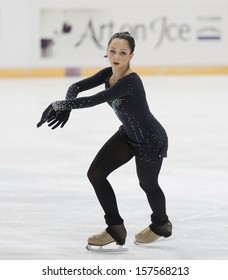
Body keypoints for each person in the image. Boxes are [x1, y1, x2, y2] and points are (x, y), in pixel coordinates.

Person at [37, 32, 172, 250]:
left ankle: (162, 224)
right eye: (112, 51)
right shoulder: (108, 74)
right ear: (106, 52)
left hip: (150, 140)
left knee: (147, 184)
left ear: (131, 56)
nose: (116, 56)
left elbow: (92, 100)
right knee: (96, 174)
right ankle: (115, 228)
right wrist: (68, 106)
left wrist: (58, 105)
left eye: (122, 52)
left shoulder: (131, 82)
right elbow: (76, 88)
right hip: (127, 135)